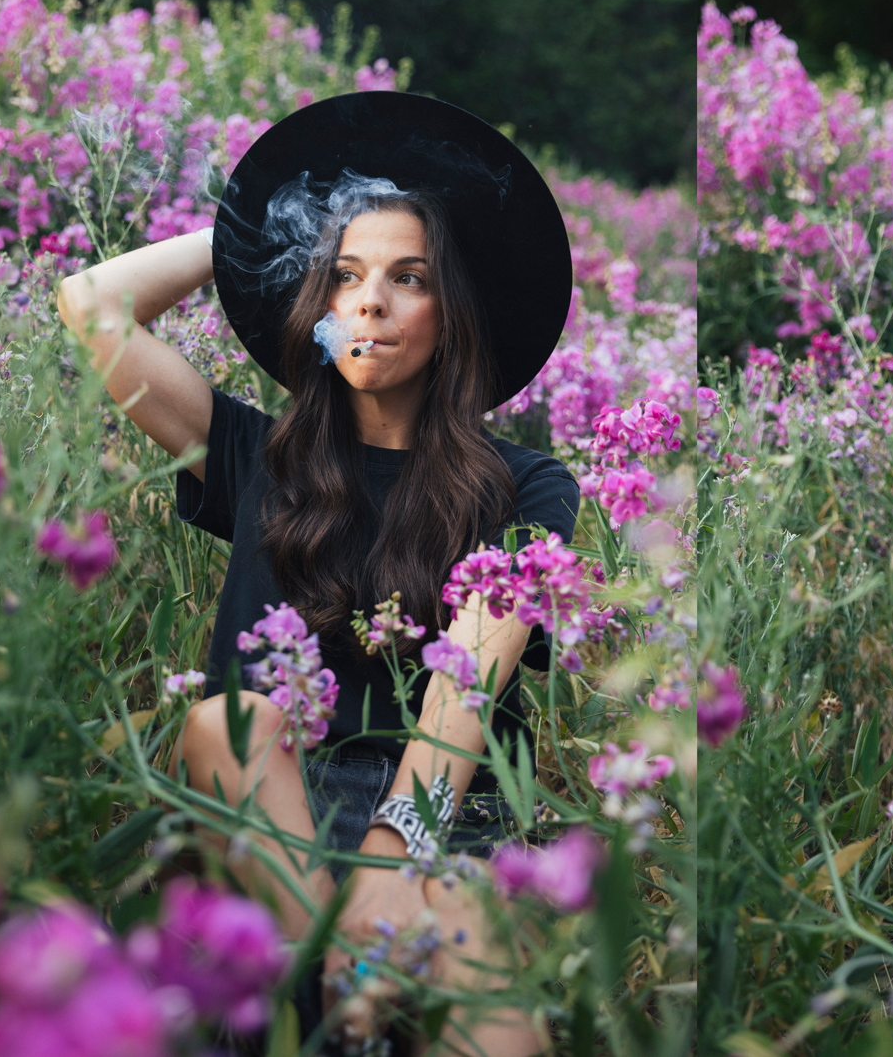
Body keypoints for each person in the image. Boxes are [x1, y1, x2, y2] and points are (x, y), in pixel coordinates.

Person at [57, 92, 578, 1055]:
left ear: (450, 311)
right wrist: (253, 229)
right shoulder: (254, 453)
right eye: (343, 276)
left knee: (488, 993)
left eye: (408, 278)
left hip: (445, 812)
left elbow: (482, 654)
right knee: (232, 718)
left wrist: (395, 849)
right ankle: (331, 987)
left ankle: (329, 997)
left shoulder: (525, 482)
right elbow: (92, 307)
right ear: (319, 301)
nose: (371, 301)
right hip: (266, 809)